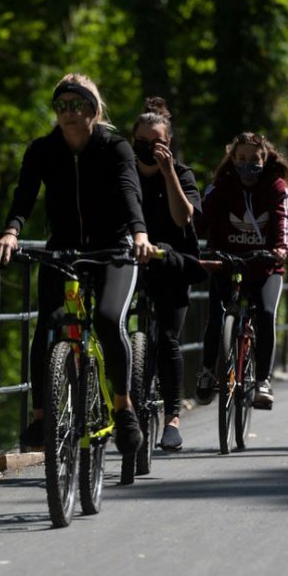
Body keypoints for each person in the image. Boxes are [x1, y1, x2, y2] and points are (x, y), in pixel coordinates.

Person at [0, 73, 155, 456]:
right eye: (61, 106)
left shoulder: (115, 148)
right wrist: (11, 232)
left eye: (77, 105)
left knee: (111, 319)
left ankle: (124, 406)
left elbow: (130, 193)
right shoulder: (43, 150)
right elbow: (24, 196)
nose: (69, 113)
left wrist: (140, 235)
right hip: (63, 250)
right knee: (46, 324)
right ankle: (43, 415)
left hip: (114, 249)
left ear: (93, 111)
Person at [194, 132, 288, 410]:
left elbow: (285, 221)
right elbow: (198, 220)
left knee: (265, 314)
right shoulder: (220, 187)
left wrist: (283, 249)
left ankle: (262, 380)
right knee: (216, 317)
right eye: (241, 159)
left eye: (254, 159)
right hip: (226, 264)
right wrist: (187, 246)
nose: (247, 165)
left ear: (265, 159)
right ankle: (206, 372)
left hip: (265, 268)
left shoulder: (277, 188)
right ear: (232, 159)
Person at [130, 97, 203, 452]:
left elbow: (183, 218)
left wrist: (168, 172)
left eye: (155, 142)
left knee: (170, 339)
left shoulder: (183, 174)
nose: (147, 149)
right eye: (140, 142)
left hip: (173, 263)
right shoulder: (123, 173)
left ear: (168, 143)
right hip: (130, 259)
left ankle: (172, 417)